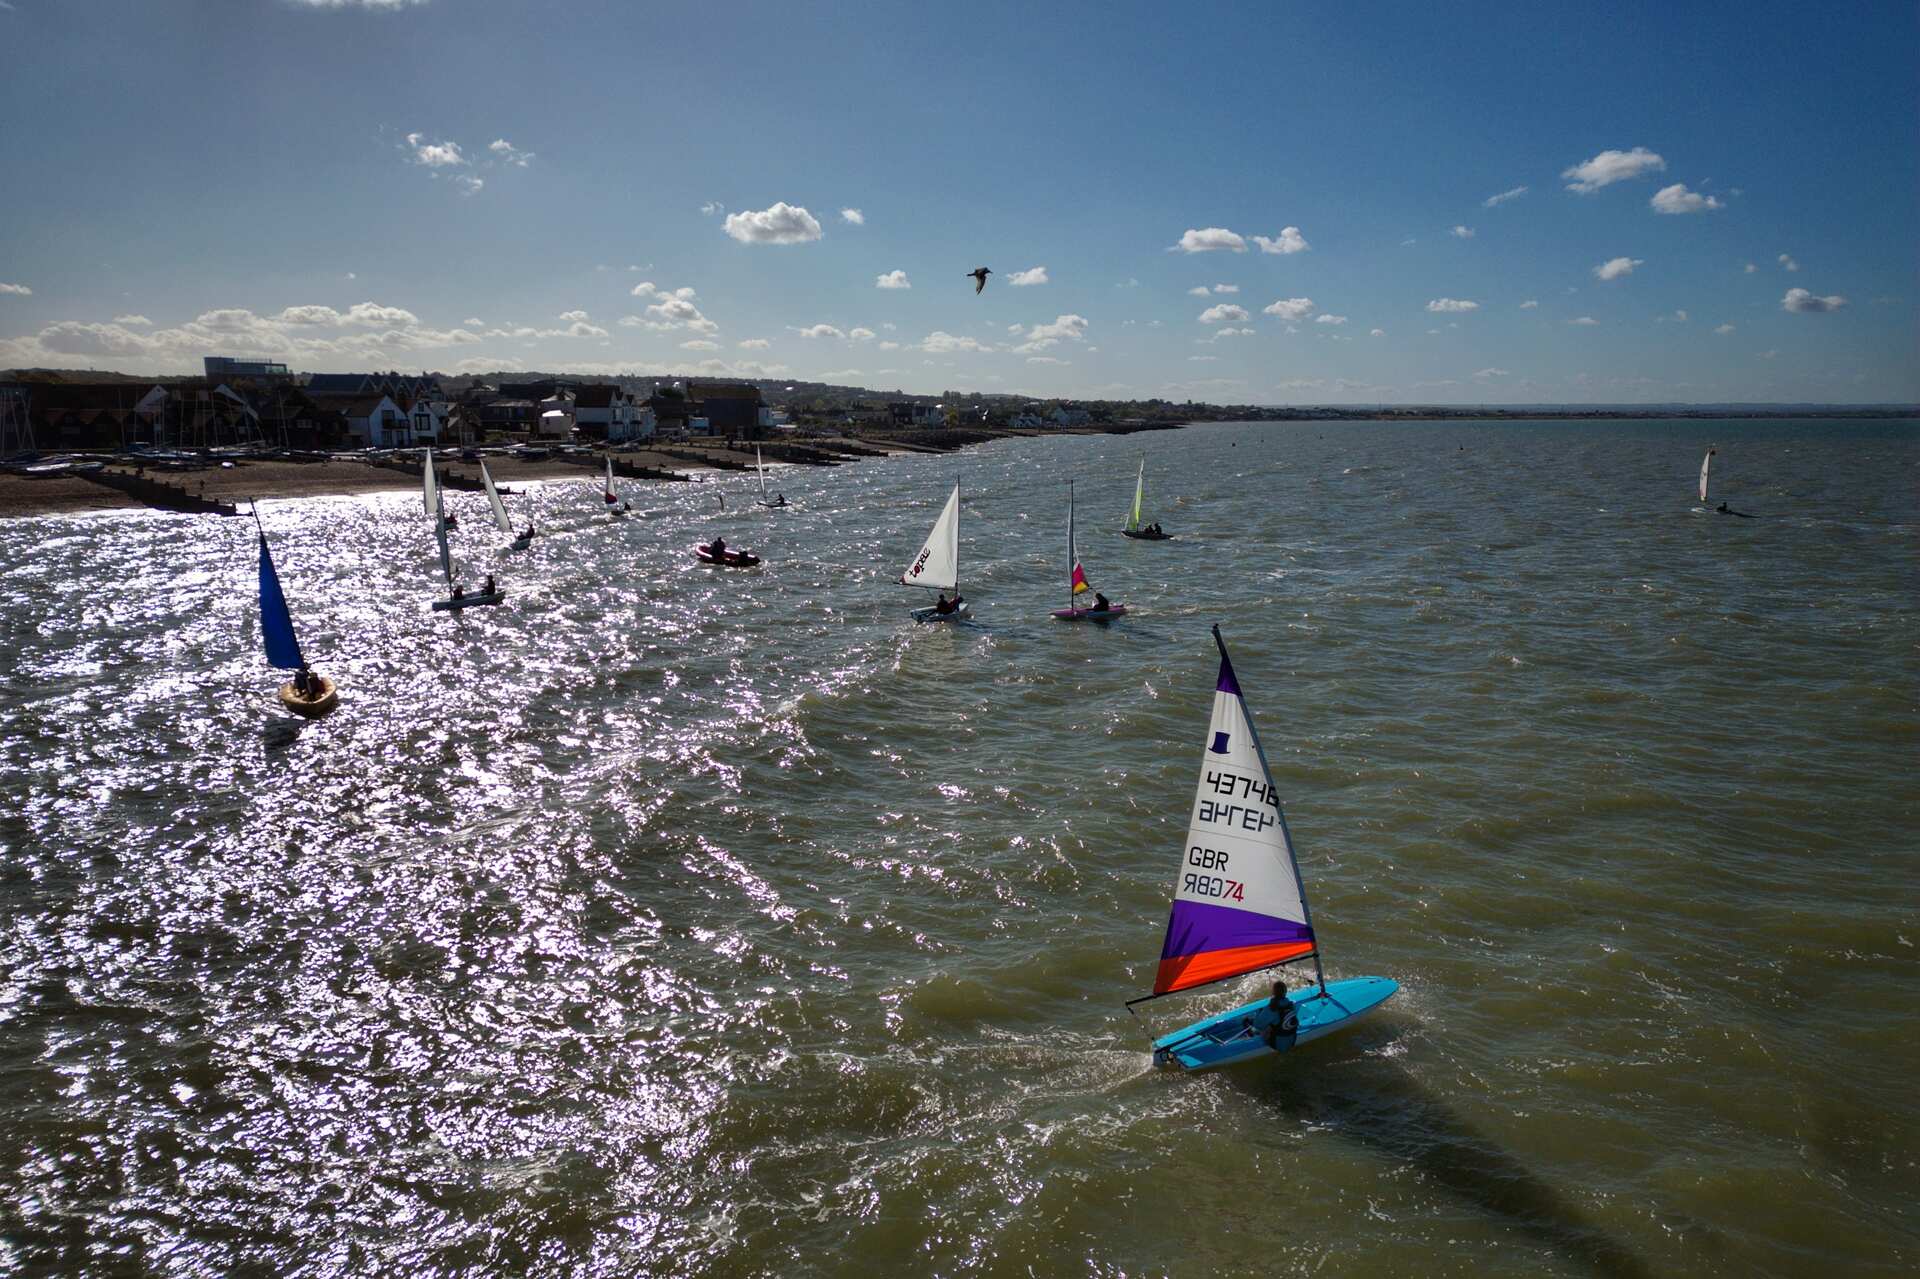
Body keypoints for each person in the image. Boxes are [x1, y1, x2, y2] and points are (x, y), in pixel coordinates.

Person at [1264, 978, 1300, 1051]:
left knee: (1262, 1028)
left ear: (1273, 993)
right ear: (1286, 991)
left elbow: (1258, 1025)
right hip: (1292, 1041)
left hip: (1276, 1045)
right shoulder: (1291, 1005)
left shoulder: (1270, 1008)